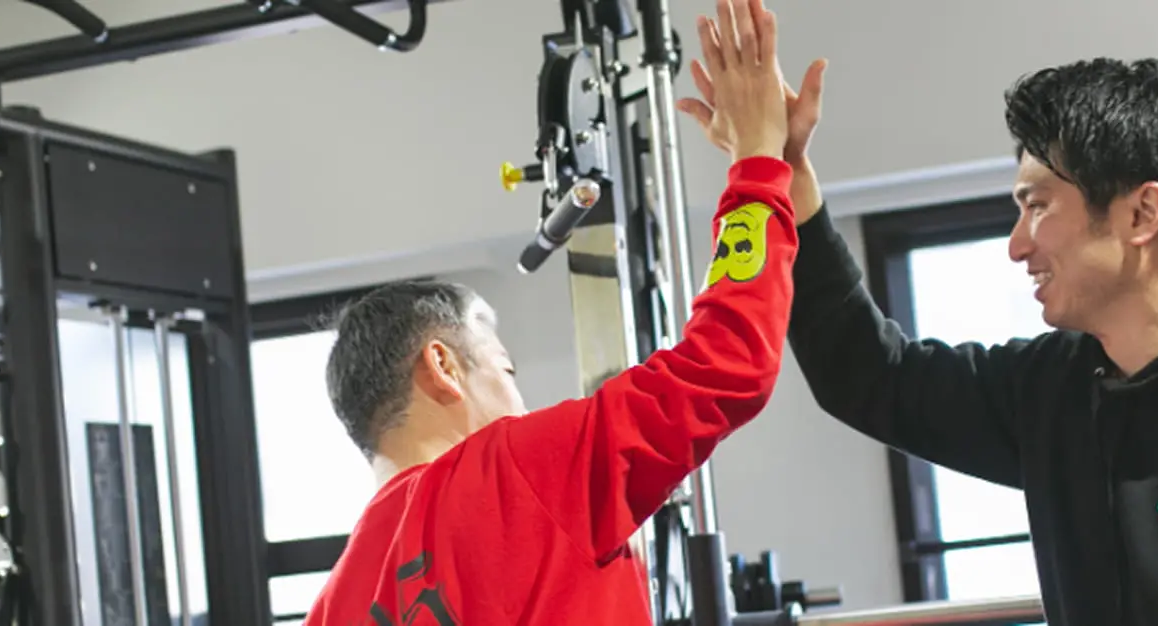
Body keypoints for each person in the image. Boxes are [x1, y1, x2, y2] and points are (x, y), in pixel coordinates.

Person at [679, 57, 1158, 624]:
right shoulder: (1056, 390)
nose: (1017, 245)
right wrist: (785, 175)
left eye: (1038, 206)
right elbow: (873, 377)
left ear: (1142, 215)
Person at [303, 0, 799, 623]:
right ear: (443, 366)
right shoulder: (516, 471)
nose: (520, 400)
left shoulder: (331, 607)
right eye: (504, 370)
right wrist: (758, 161)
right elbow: (726, 365)